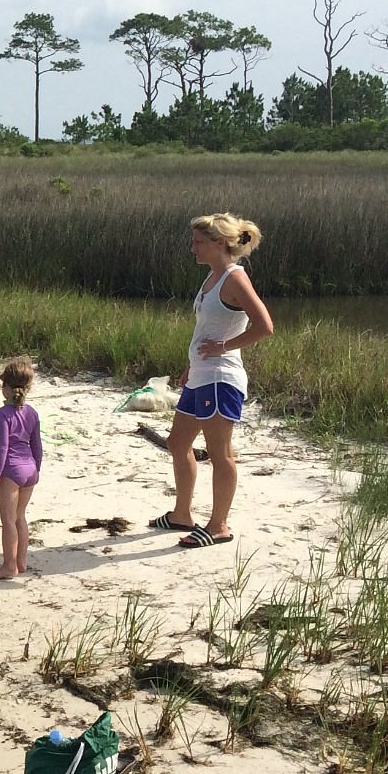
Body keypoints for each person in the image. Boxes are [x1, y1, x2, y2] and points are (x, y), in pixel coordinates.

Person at [152, 214, 273, 549]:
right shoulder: (212, 277)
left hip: (222, 379)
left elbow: (264, 326)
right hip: (201, 377)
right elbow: (207, 327)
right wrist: (192, 366)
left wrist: (223, 347)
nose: (193, 248)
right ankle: (181, 514)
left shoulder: (235, 278)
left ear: (219, 243)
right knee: (177, 443)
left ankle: (218, 525)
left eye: (198, 242)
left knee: (220, 454)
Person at [0, 358, 43, 580]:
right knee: (20, 517)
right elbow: (37, 446)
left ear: (7, 388)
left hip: (12, 470)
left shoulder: (2, 414)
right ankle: (21, 561)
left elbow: (2, 448)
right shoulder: (32, 412)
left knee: (8, 520)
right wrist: (36, 469)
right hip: (30, 469)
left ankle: (9, 565)